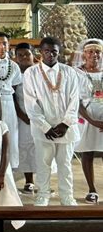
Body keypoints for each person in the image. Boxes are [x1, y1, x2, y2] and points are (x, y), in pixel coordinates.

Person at [23, 37, 81, 206]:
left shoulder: (69, 72)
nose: (50, 55)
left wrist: (66, 123)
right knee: (43, 163)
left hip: (66, 127)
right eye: (46, 51)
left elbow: (74, 100)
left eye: (54, 51)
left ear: (59, 52)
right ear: (40, 52)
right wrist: (45, 126)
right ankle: (43, 194)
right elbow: (31, 103)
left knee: (65, 164)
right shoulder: (31, 73)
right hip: (43, 130)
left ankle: (67, 196)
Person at [0, 32, 24, 170]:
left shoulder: (14, 66)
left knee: (10, 135)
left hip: (8, 103)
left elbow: (14, 87)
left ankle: (9, 169)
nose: (2, 47)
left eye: (5, 43)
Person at [74, 39, 103, 203]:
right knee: (88, 152)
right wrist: (93, 121)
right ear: (84, 54)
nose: (94, 55)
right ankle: (92, 190)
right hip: (87, 118)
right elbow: (76, 101)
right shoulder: (77, 73)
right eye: (90, 51)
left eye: (97, 51)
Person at [13, 42, 36, 192]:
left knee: (40, 148)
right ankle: (29, 180)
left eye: (27, 54)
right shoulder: (15, 73)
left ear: (33, 55)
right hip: (22, 116)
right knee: (25, 147)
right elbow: (12, 96)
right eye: (20, 55)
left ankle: (44, 180)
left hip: (40, 115)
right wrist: (21, 115)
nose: (24, 58)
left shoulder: (39, 71)